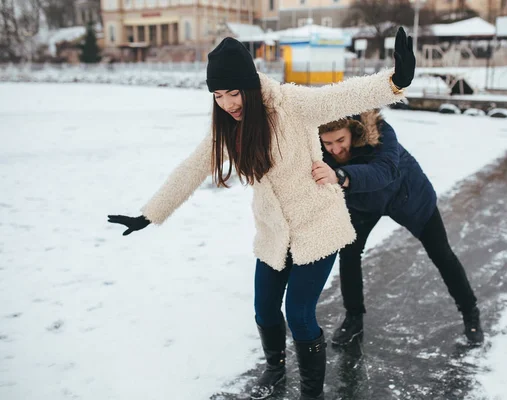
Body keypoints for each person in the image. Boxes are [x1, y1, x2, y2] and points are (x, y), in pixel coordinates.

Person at [107, 30, 415, 400]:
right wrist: (150, 214)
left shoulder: (291, 104)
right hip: (274, 232)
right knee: (264, 309)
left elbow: (341, 95)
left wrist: (395, 82)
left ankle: (311, 394)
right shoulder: (228, 128)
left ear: (250, 86)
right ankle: (274, 369)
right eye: (218, 96)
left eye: (233, 93)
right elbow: (192, 168)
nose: (227, 103)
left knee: (299, 314)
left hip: (318, 225)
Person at [312, 110, 484, 346]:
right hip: (362, 203)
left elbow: (385, 171)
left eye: (340, 140)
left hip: (407, 195)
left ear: (353, 131)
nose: (335, 149)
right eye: (328, 143)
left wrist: (340, 175)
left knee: (441, 253)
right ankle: (354, 318)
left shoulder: (380, 132)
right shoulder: (317, 148)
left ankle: (470, 311)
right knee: (349, 253)